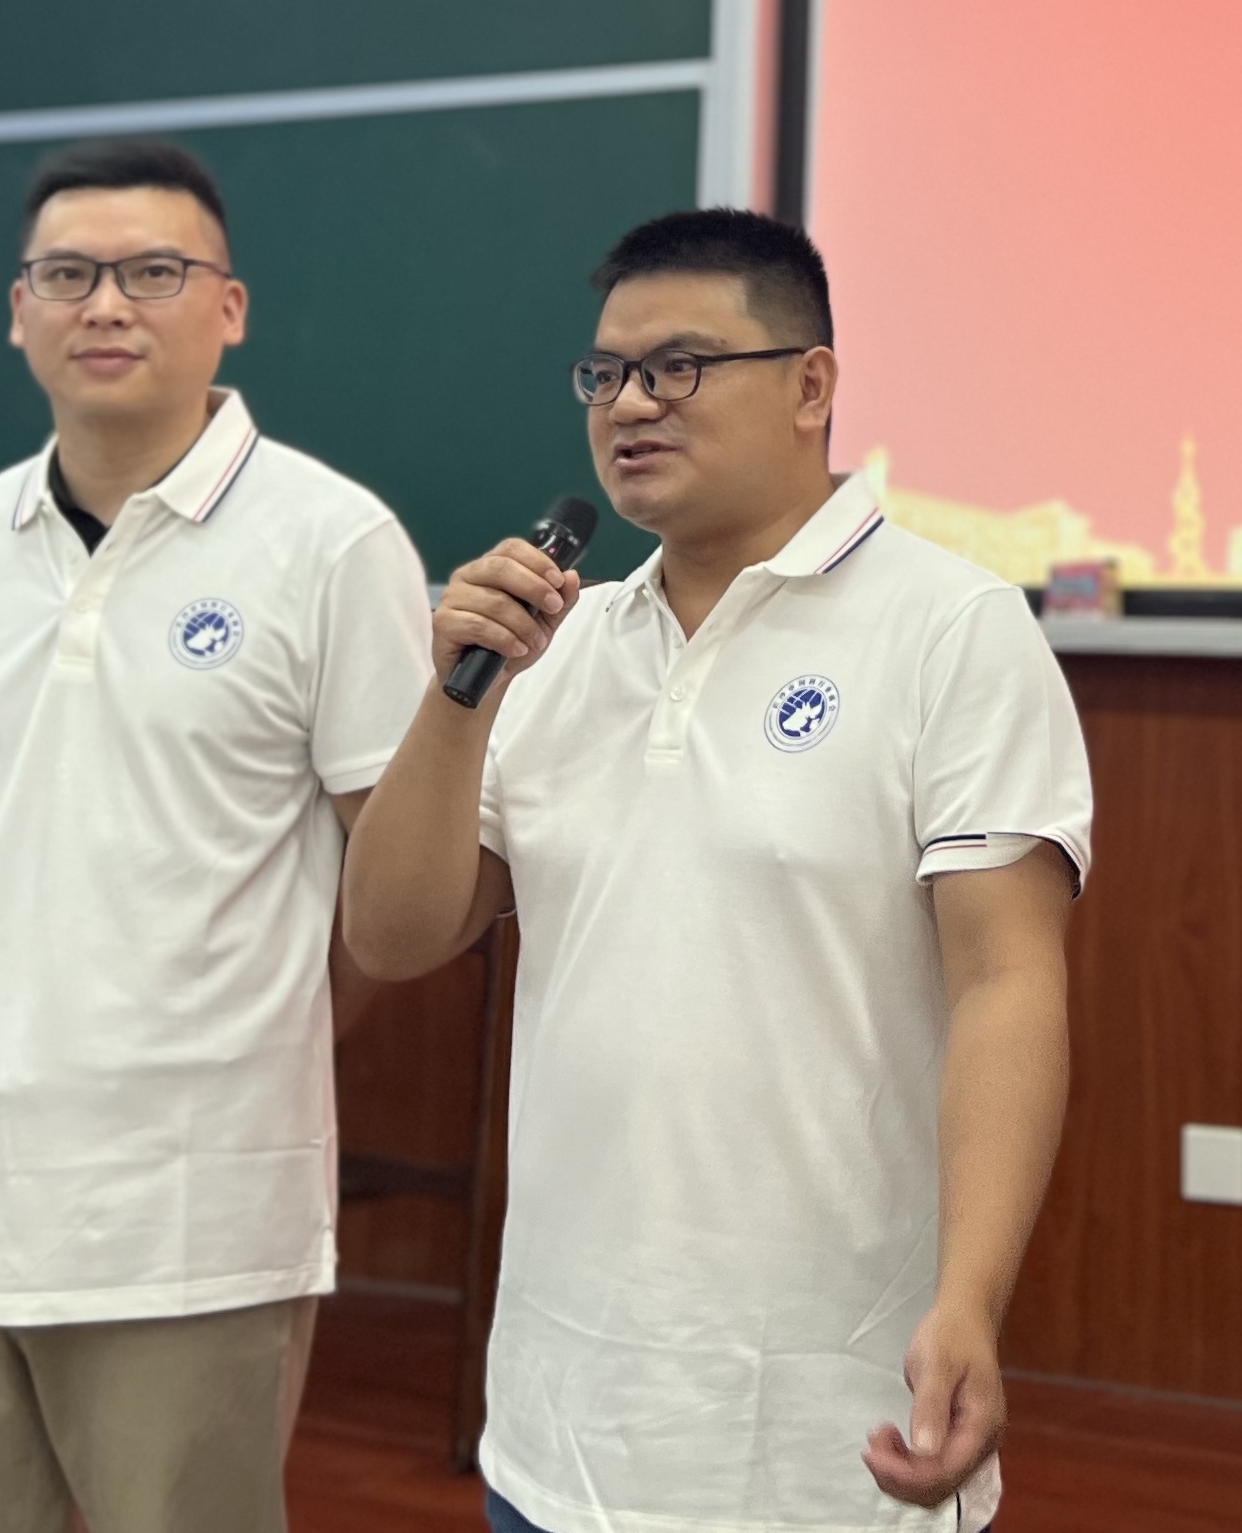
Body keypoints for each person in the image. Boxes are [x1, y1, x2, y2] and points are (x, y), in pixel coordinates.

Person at [343, 207, 1089, 1533]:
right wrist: (456, 699)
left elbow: (1007, 984)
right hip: (559, 1419)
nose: (631, 403)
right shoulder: (559, 647)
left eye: (679, 365)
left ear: (811, 385)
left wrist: (971, 1299)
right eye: (607, 372)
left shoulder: (951, 627)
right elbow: (394, 935)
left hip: (827, 1423)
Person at [0, 136, 436, 1533]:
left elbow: (389, 889)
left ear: (228, 307)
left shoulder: (333, 540)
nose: (105, 304)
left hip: (187, 1220)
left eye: (153, 273)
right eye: (68, 275)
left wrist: (238, 1027)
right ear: (19, 311)